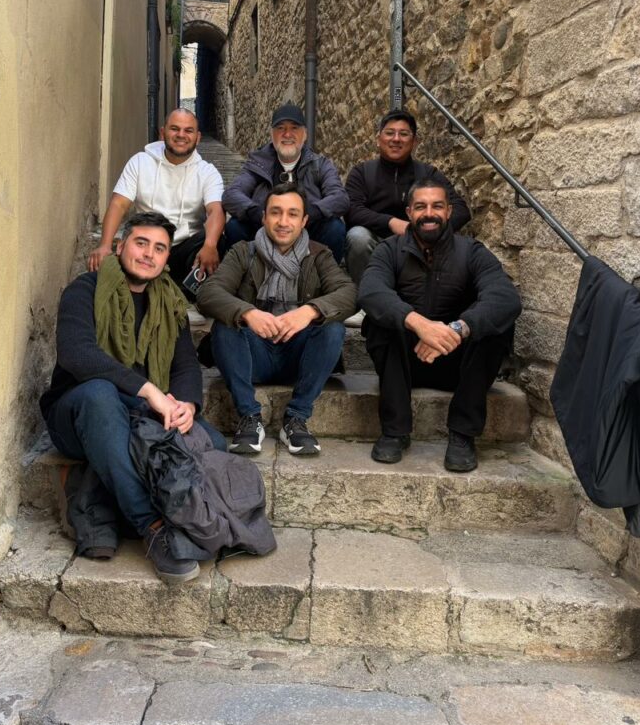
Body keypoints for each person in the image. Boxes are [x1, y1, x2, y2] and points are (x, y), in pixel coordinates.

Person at [41, 211, 227, 583]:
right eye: (141, 243)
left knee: (212, 441)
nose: (148, 254)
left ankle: (96, 493)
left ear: (166, 258)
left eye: (159, 248)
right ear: (120, 246)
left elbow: (185, 366)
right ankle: (152, 527)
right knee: (100, 395)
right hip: (78, 414)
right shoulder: (85, 290)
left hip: (138, 414)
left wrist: (187, 405)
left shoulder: (170, 302)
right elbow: (77, 354)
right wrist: (150, 392)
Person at [358, 179, 521, 471]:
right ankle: (395, 431)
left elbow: (505, 297)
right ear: (409, 212)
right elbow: (370, 291)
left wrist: (456, 330)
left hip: (456, 363)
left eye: (437, 206)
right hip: (405, 362)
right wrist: (419, 324)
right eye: (421, 207)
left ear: (448, 212)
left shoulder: (471, 252)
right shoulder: (389, 250)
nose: (429, 213)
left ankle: (462, 434)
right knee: (379, 321)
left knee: (495, 327)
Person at [197, 183, 357, 457]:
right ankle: (249, 417)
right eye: (276, 212)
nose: (283, 222)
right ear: (264, 217)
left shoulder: (319, 254)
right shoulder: (243, 251)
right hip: (253, 355)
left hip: (299, 357)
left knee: (332, 327)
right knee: (226, 323)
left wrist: (309, 311)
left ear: (304, 221)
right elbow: (209, 292)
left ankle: (296, 418)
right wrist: (248, 313)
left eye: (292, 214)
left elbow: (349, 293)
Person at [88, 108, 225, 289]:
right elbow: (119, 204)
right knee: (107, 271)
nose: (181, 135)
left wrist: (210, 245)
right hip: (146, 244)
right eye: (174, 129)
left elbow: (216, 211)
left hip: (184, 248)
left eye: (188, 130)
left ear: (198, 137)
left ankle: (185, 290)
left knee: (219, 241)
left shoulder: (207, 172)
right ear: (162, 132)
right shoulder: (140, 162)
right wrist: (105, 245)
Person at [345, 109, 471, 284]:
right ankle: (366, 293)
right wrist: (391, 222)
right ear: (378, 139)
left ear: (414, 142)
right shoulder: (362, 172)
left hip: (419, 243)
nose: (396, 139)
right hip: (375, 240)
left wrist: (428, 230)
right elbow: (352, 210)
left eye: (404, 134)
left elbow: (460, 209)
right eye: (390, 133)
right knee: (357, 237)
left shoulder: (428, 174)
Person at [222, 103, 349, 262]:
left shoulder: (320, 165)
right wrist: (258, 212)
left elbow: (340, 197)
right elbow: (231, 194)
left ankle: (322, 274)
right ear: (272, 134)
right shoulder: (258, 163)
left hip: (307, 229)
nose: (287, 134)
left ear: (305, 134)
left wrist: (309, 213)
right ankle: (248, 273)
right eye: (281, 128)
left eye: (294, 128)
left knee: (335, 228)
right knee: (235, 226)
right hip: (265, 229)